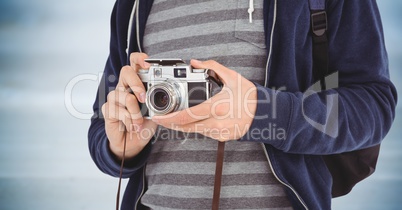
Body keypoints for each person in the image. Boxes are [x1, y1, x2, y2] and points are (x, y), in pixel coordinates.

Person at [88, 0, 397, 209]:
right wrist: (122, 147)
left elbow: (374, 104)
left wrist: (260, 112)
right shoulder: (132, 5)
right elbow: (101, 128)